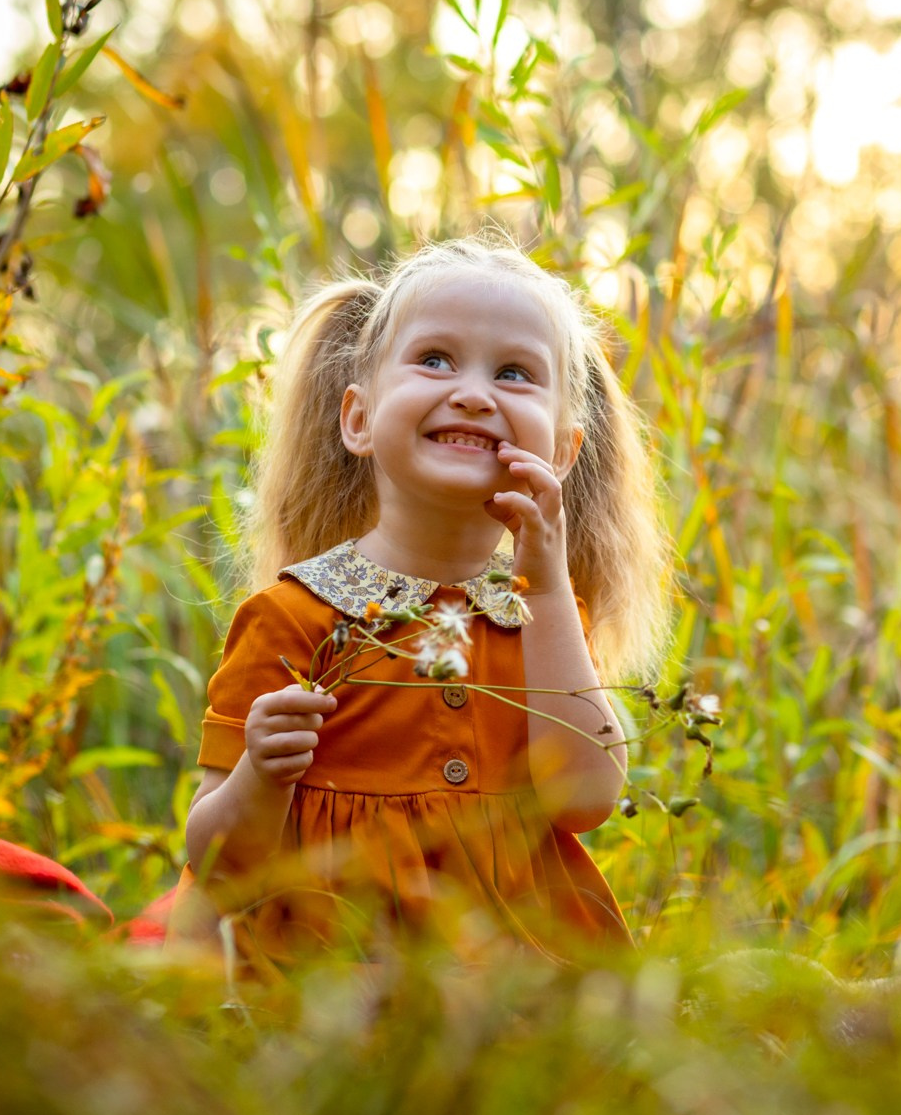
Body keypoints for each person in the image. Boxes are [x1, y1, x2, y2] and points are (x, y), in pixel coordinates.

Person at [164, 235, 669, 970]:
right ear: (358, 419)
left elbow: (586, 796)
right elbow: (216, 864)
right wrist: (261, 775)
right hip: (326, 974)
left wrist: (550, 584)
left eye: (515, 373)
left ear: (561, 451)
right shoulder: (293, 617)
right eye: (434, 359)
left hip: (506, 981)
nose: (472, 391)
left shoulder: (540, 617)